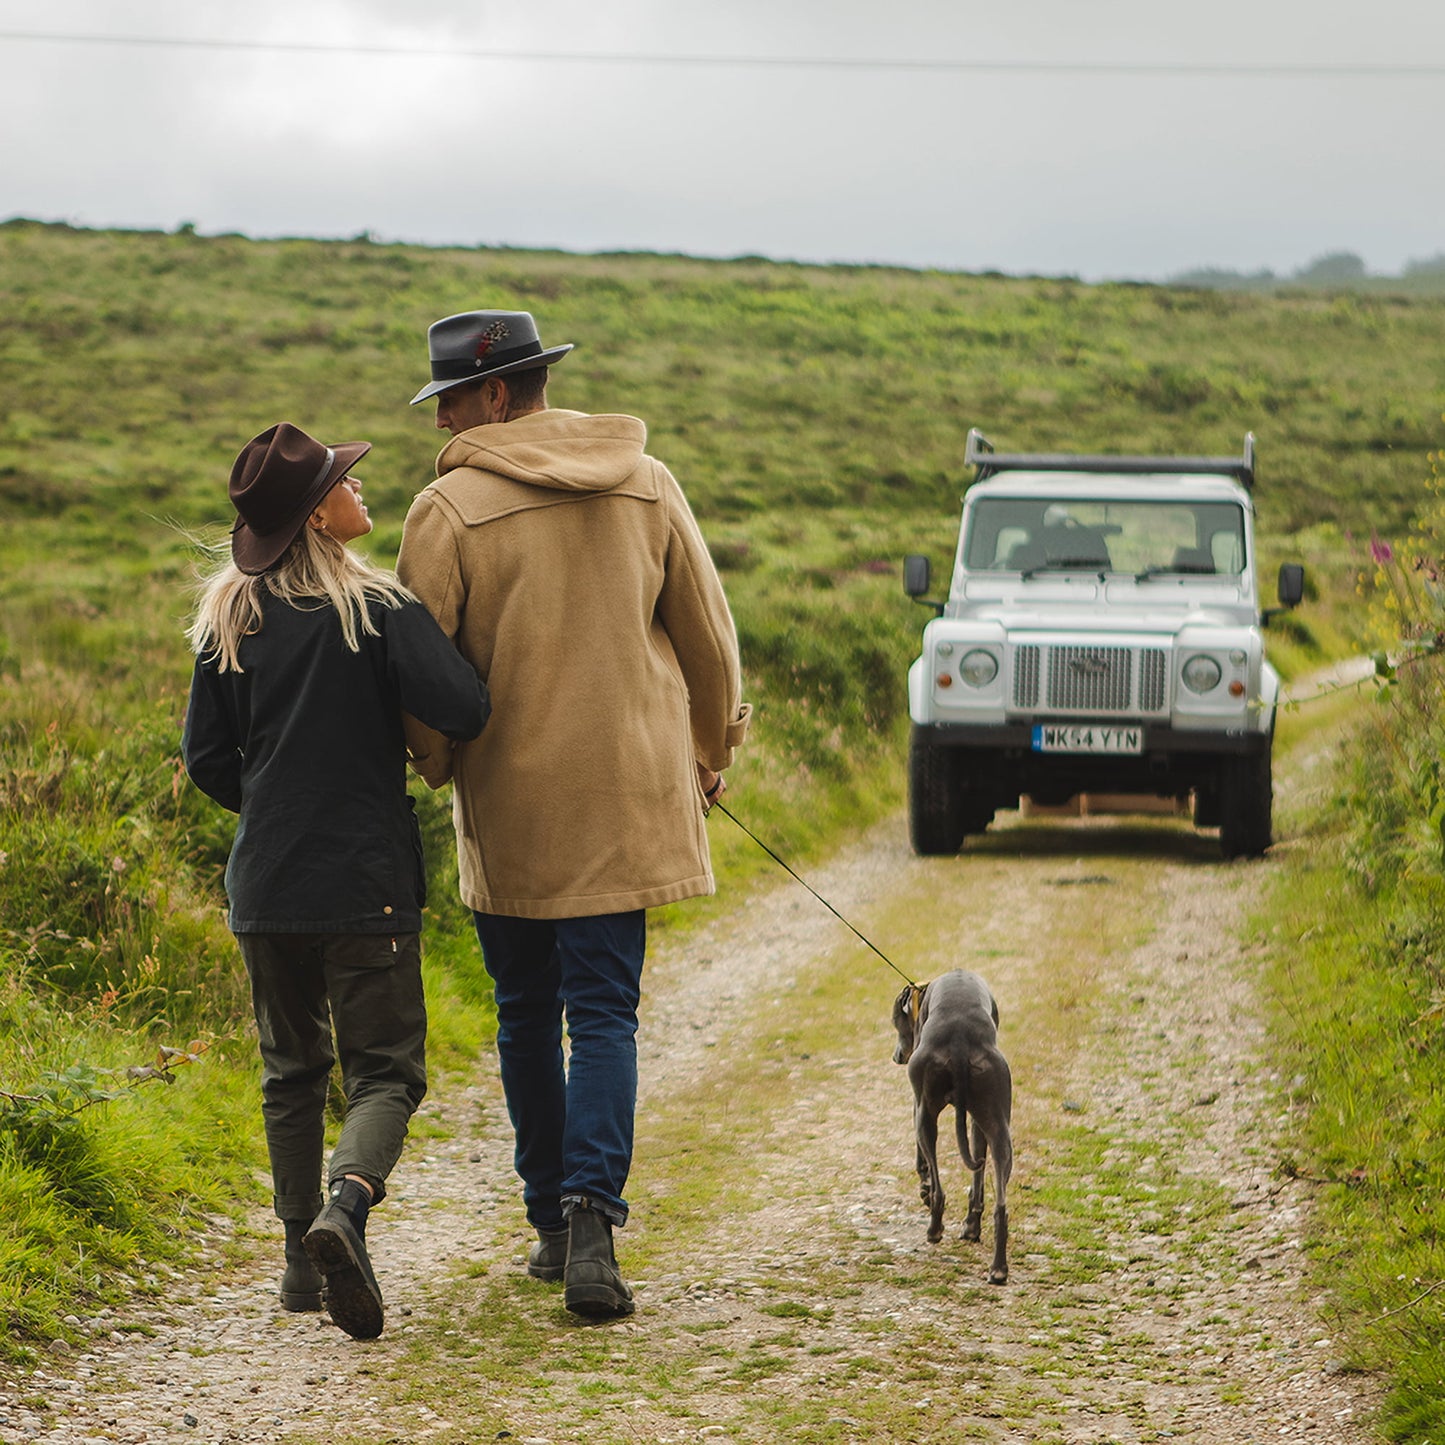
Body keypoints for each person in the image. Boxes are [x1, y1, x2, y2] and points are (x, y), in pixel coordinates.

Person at [397, 310, 750, 1319]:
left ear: (497, 395)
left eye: (453, 401)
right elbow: (707, 637)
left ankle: (550, 1222)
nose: (444, 421)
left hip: (510, 804)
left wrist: (433, 763)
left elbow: (427, 681)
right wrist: (708, 750)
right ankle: (596, 1219)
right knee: (603, 1009)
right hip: (630, 795)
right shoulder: (646, 479)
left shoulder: (444, 508)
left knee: (523, 1009)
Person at [182, 422, 489, 1340]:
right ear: (321, 514)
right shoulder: (378, 610)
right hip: (367, 882)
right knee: (386, 1072)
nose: (363, 490)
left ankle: (294, 1266)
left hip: (265, 885)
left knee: (292, 1073)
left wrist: (275, 810)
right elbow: (466, 707)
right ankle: (344, 1210)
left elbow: (205, 760)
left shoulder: (226, 619)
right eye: (346, 483)